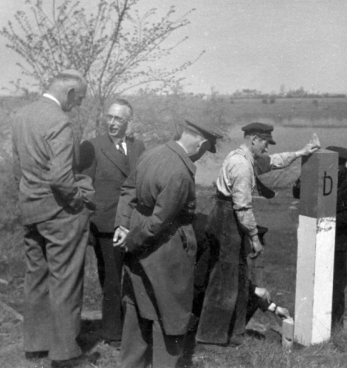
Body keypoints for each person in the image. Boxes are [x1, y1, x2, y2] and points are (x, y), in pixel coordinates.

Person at [195, 122, 319, 347]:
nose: (267, 148)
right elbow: (242, 206)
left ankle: (232, 335)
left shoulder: (247, 158)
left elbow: (274, 162)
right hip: (227, 220)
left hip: (228, 219)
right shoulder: (241, 164)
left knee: (238, 279)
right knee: (224, 281)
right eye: (265, 143)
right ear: (253, 139)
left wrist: (302, 152)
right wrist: (254, 237)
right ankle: (210, 338)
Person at [113, 120, 223, 368]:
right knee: (172, 312)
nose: (203, 156)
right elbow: (160, 222)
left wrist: (123, 226)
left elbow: (128, 189)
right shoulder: (180, 172)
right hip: (166, 246)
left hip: (138, 238)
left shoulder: (151, 153)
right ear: (202, 143)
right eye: (206, 150)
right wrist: (131, 240)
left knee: (136, 308)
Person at [12, 70, 95, 368]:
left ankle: (35, 345)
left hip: (30, 210)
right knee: (66, 280)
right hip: (58, 213)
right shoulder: (60, 121)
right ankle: (65, 352)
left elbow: (18, 167)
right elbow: (61, 177)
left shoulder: (21, 115)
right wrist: (77, 203)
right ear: (70, 92)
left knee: (36, 276)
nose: (78, 105)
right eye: (80, 99)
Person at [78, 99, 145, 346]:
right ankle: (113, 333)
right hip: (106, 225)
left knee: (136, 275)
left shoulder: (138, 146)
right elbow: (84, 186)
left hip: (135, 223)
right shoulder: (92, 146)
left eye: (119, 119)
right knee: (112, 278)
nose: (113, 123)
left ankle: (136, 327)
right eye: (110, 117)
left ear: (129, 122)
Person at [292, 146, 347, 331]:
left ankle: (336, 328)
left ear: (342, 165)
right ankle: (310, 324)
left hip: (337, 242)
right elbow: (296, 193)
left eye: (336, 166)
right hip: (313, 239)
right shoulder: (319, 175)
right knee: (311, 281)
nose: (332, 169)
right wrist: (303, 177)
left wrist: (327, 222)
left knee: (336, 287)